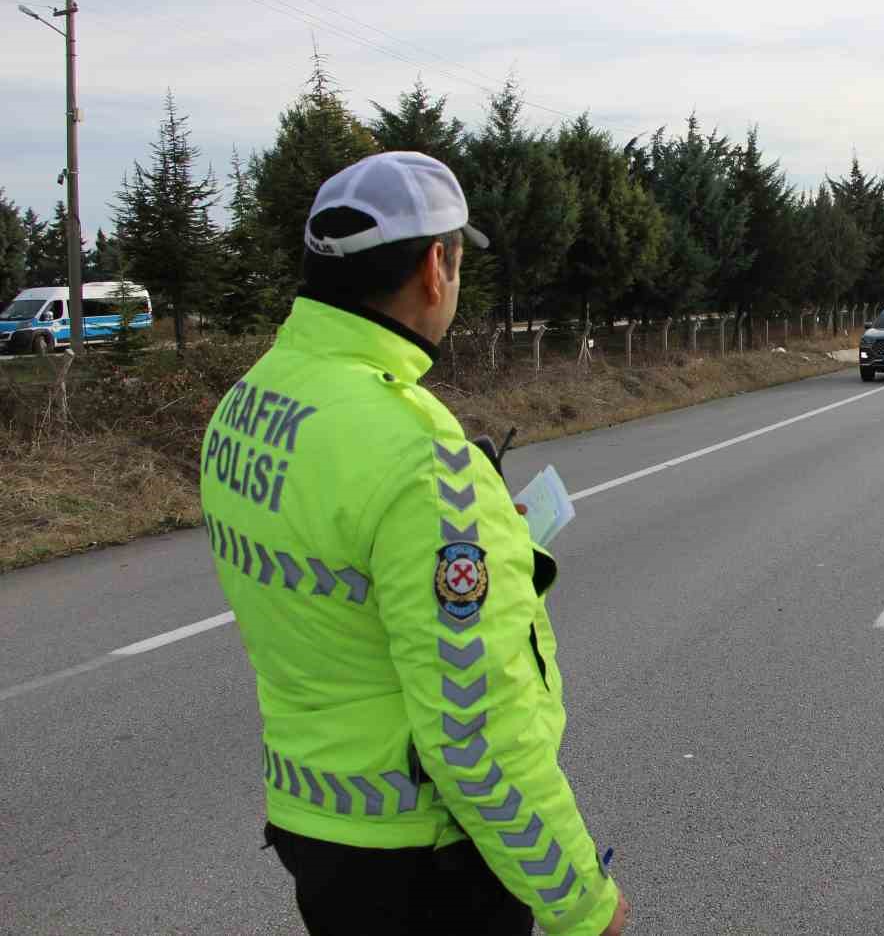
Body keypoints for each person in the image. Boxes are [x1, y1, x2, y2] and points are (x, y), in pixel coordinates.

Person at [199, 151, 628, 935]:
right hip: (426, 864)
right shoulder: (418, 456)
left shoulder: (249, 402)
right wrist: (581, 899)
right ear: (436, 267)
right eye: (459, 262)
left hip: (315, 826)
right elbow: (474, 732)